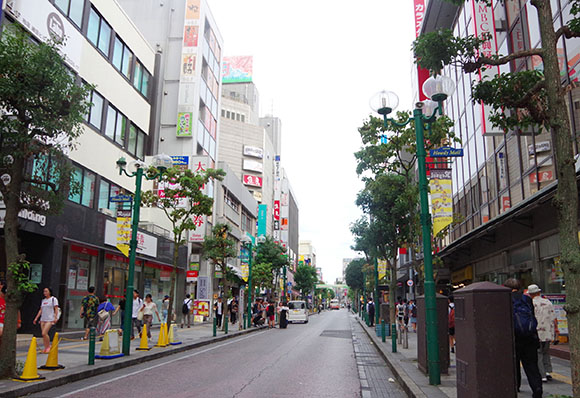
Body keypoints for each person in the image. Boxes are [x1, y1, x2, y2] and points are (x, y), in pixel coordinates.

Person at [504, 278, 542, 398]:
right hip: (530, 338)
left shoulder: (505, 299)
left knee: (513, 365)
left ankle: (516, 386)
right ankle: (537, 389)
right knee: (532, 366)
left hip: (513, 338)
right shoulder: (527, 299)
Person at [528, 284, 559, 382]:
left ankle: (542, 375)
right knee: (546, 352)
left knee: (538, 353)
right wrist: (556, 332)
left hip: (536, 332)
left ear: (530, 294)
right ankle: (548, 372)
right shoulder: (548, 302)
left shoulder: (530, 303)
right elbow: (554, 318)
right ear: (539, 292)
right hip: (548, 332)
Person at [33, 287, 59, 353]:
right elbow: (41, 310)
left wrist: (55, 317)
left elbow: (56, 309)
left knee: (44, 333)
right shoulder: (43, 300)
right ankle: (46, 347)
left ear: (50, 292)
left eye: (46, 291)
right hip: (43, 319)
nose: (45, 293)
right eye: (44, 291)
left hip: (50, 319)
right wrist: (36, 318)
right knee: (44, 334)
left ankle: (48, 347)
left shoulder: (53, 299)